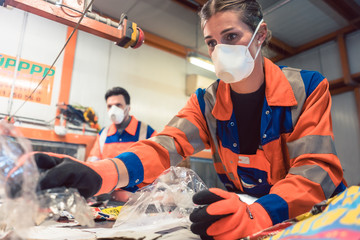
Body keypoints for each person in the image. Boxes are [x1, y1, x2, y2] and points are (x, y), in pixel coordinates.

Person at [34, 0, 347, 239]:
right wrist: (100, 173)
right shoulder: (206, 102)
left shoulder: (307, 87)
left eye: (231, 36)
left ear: (260, 35)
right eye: (211, 42)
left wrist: (260, 214)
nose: (219, 50)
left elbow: (316, 169)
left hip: (316, 216)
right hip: (250, 219)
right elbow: (165, 145)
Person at [87, 87, 157, 162]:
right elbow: (92, 163)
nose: (113, 110)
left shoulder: (147, 132)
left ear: (128, 108)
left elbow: (156, 163)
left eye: (118, 105)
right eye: (109, 106)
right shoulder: (103, 135)